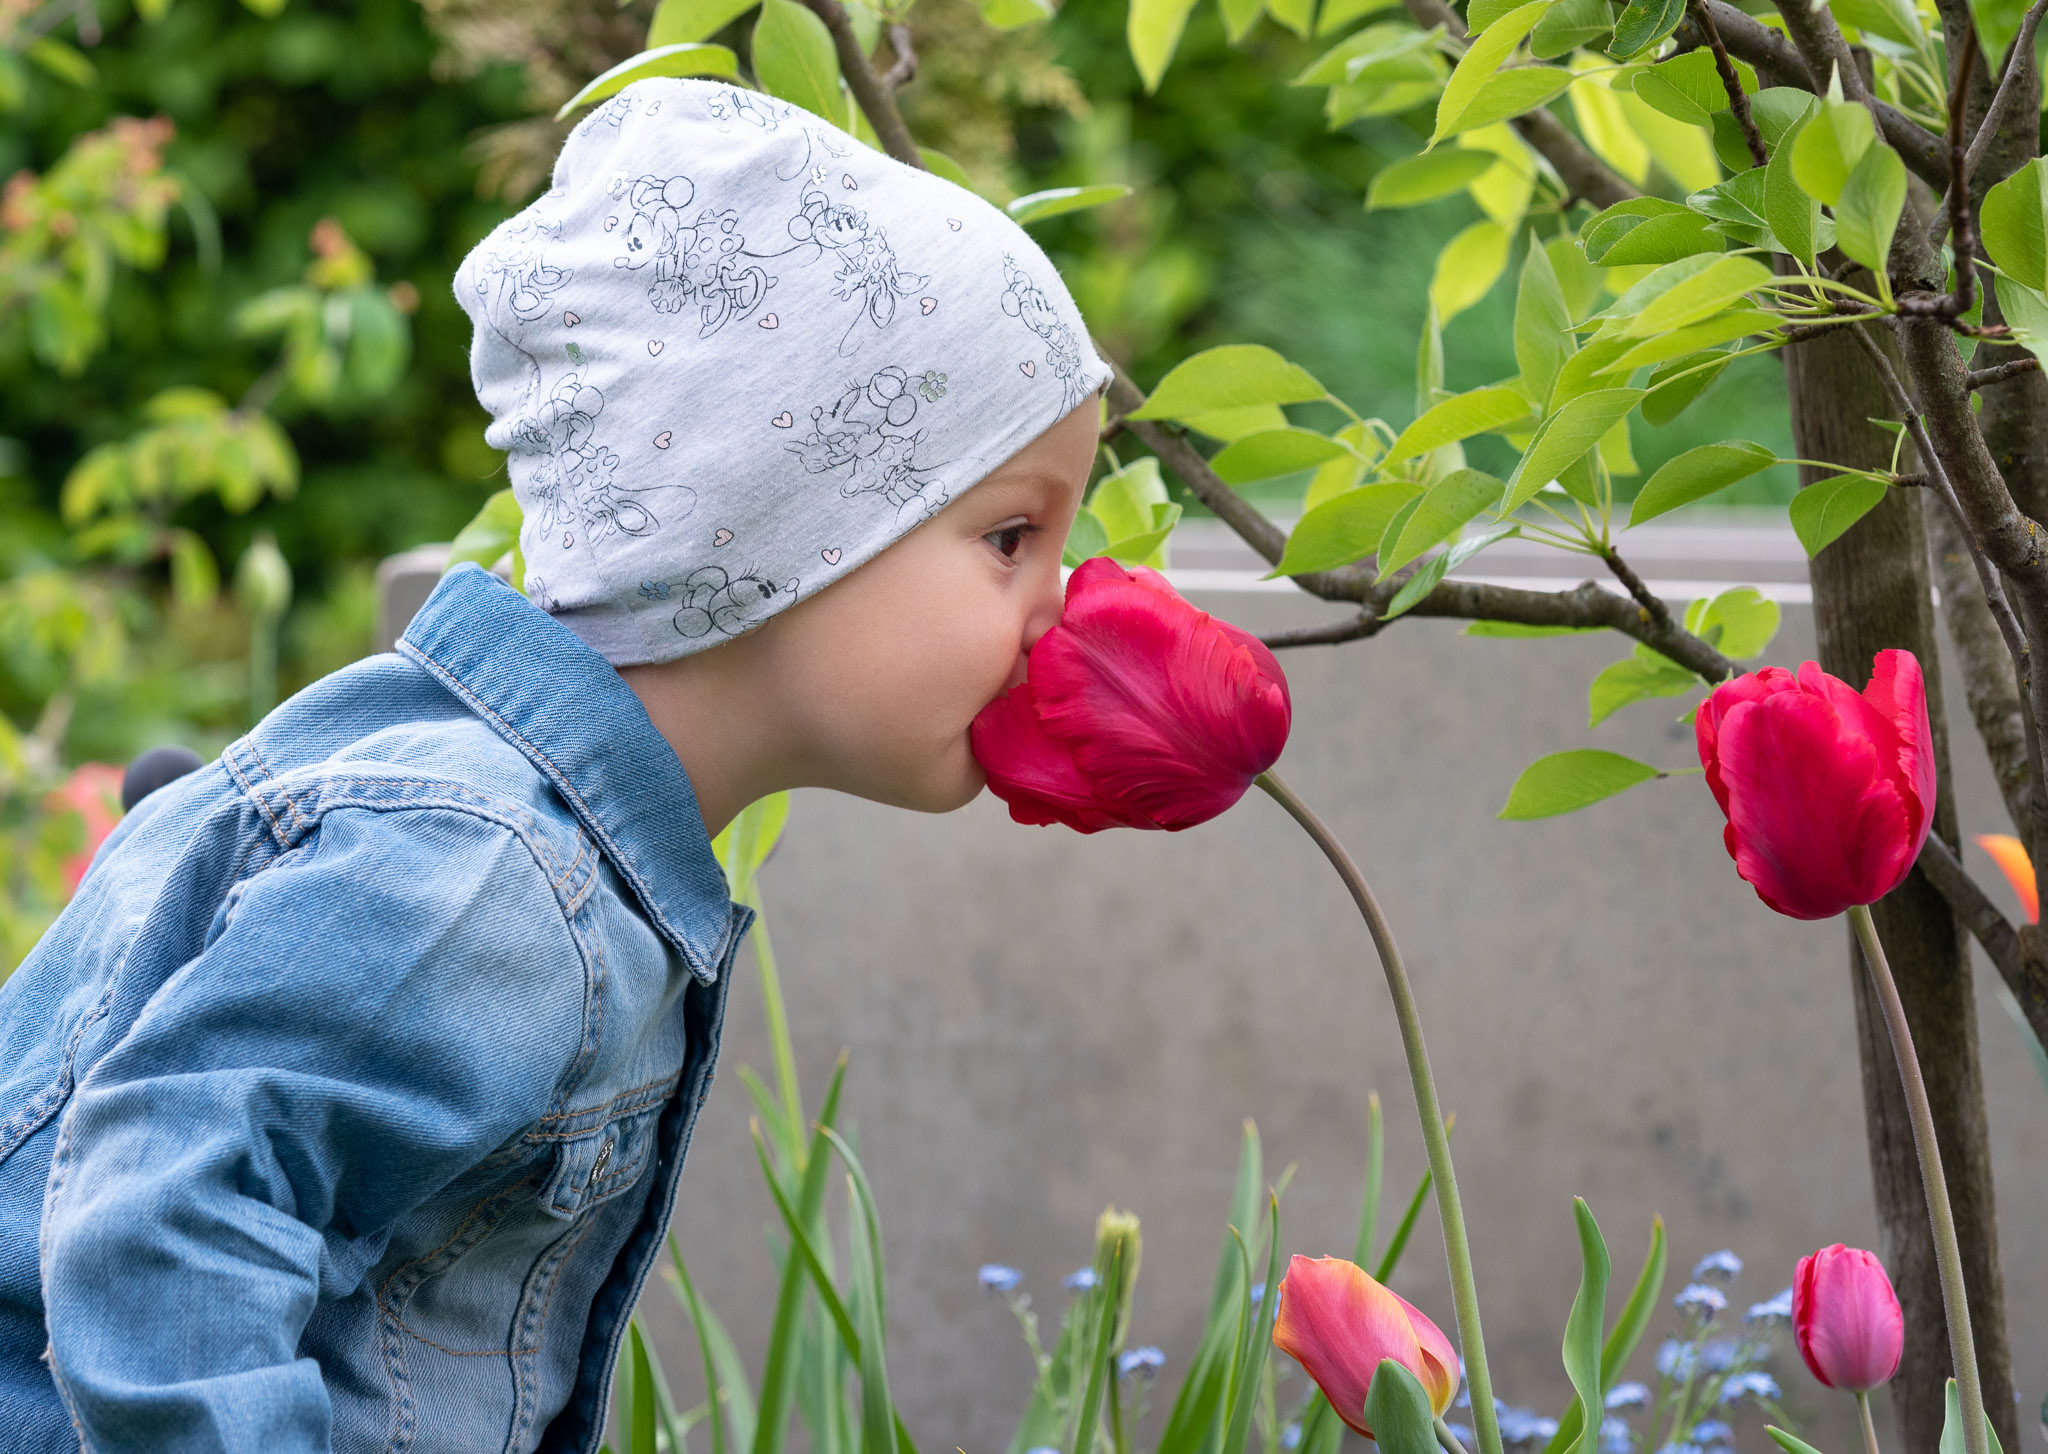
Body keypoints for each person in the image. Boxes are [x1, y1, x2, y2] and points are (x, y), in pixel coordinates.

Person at [0, 77, 1111, 1454]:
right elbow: (168, 1206)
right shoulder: (490, 872)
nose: (1059, 599)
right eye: (1012, 535)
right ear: (763, 528)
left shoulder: (536, 846)